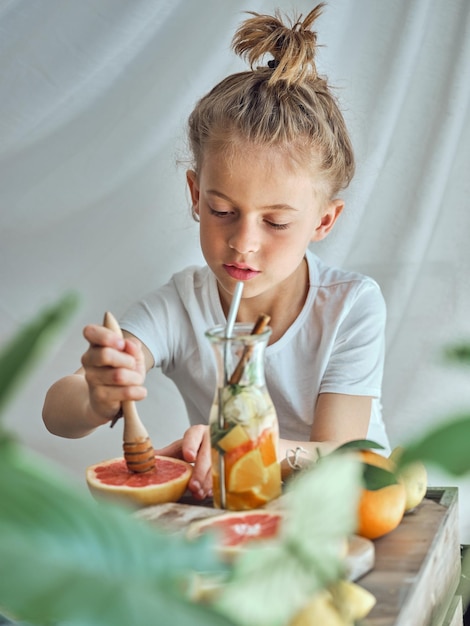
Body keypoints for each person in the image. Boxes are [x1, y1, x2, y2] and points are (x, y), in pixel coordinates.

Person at [43, 3, 390, 500]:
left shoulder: (350, 306)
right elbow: (59, 414)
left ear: (323, 221)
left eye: (276, 222)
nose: (243, 242)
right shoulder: (181, 305)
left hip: (352, 514)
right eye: (222, 210)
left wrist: (245, 445)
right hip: (238, 518)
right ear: (194, 195)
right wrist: (97, 396)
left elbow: (347, 453)